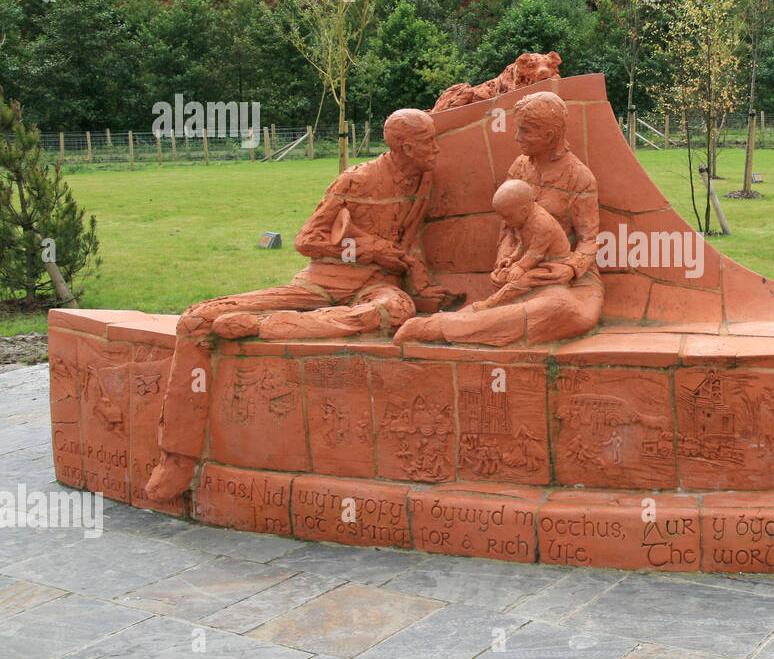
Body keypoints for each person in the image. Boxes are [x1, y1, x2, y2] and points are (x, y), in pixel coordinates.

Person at [145, 108, 453, 501]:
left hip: (374, 289)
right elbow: (307, 240)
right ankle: (176, 459)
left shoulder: (422, 180)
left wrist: (422, 282)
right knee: (197, 320)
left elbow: (409, 242)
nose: (436, 149)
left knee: (397, 311)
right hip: (323, 284)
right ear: (405, 146)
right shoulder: (357, 179)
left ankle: (265, 327)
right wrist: (369, 250)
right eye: (428, 142)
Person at [393, 90, 602, 347]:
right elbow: (507, 229)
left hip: (568, 279)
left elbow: (589, 240)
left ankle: (442, 326)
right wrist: (503, 261)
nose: (517, 137)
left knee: (568, 313)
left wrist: (570, 269)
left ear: (549, 135)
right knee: (538, 308)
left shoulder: (579, 177)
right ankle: (443, 327)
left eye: (525, 131)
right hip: (521, 272)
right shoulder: (520, 168)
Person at [472, 179, 571, 311]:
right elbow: (523, 245)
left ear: (523, 211)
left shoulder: (543, 224)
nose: (505, 222)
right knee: (502, 275)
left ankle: (491, 303)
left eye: (507, 217)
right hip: (533, 261)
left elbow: (535, 253)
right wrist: (512, 258)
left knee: (520, 281)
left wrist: (520, 267)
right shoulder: (523, 220)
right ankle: (509, 298)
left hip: (553, 264)